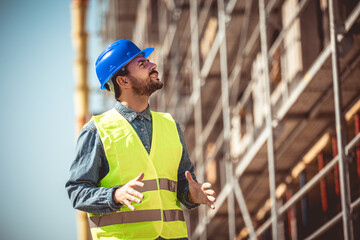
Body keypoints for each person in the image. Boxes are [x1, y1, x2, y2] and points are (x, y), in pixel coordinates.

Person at [66, 39, 216, 240]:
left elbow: (182, 184)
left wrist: (192, 194)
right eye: (142, 64)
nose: (153, 66)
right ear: (123, 81)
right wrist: (114, 196)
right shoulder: (97, 131)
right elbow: (77, 191)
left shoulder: (170, 126)